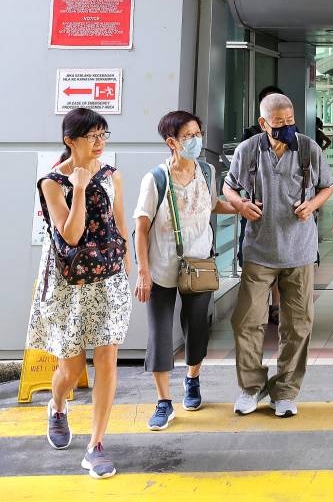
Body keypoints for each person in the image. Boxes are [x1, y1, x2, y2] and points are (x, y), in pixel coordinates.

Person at [28, 108, 132, 479]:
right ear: (70, 140)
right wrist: (82, 187)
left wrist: (129, 269)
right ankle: (58, 406)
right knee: (70, 370)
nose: (100, 143)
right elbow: (70, 235)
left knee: (106, 359)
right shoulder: (52, 183)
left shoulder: (113, 175)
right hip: (69, 284)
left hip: (108, 280)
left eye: (104, 135)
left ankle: (96, 445)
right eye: (92, 136)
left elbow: (121, 225)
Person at [223, 93, 333, 418]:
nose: (287, 127)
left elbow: (327, 186)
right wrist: (241, 205)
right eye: (279, 123)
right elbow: (230, 187)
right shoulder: (249, 151)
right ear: (263, 123)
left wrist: (312, 205)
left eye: (290, 121)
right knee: (247, 321)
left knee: (298, 324)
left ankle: (285, 391)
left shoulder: (308, 149)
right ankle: (251, 387)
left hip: (299, 252)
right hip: (259, 251)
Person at [133, 111, 239, 430]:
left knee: (197, 327)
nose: (196, 140)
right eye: (188, 136)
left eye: (198, 133)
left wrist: (240, 206)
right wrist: (142, 272)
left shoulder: (207, 171)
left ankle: (192, 379)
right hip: (161, 267)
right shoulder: (156, 178)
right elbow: (140, 228)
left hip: (199, 265)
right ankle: (163, 401)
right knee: (160, 334)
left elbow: (212, 204)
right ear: (172, 142)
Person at [239, 85, 288, 325]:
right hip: (256, 211)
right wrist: (240, 203)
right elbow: (234, 181)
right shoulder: (250, 138)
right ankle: (260, 306)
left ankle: (277, 304)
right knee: (257, 262)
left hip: (285, 215)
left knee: (280, 258)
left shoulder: (295, 139)